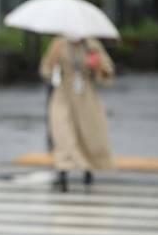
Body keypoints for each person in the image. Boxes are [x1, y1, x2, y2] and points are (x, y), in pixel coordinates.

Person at [40, 36, 116, 192]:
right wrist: (52, 67)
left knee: (87, 133)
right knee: (62, 132)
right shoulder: (58, 44)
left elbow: (107, 72)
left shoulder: (92, 45)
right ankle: (63, 172)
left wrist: (97, 66)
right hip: (63, 93)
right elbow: (45, 69)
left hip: (85, 94)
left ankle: (88, 170)